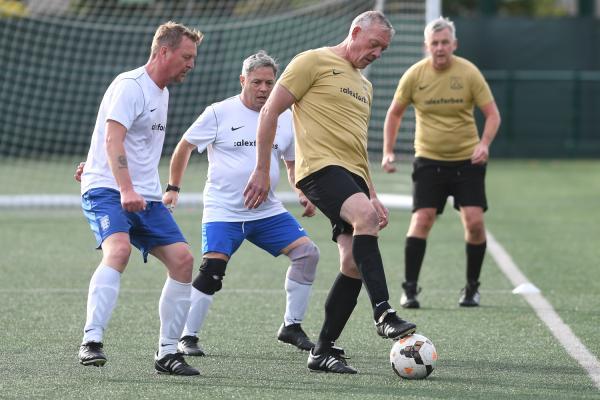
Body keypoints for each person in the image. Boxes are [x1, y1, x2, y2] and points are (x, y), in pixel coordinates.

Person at [243, 11, 417, 374]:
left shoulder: (365, 86)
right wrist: (263, 168)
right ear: (355, 32)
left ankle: (322, 350)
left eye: (384, 49)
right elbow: (270, 112)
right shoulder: (312, 61)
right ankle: (383, 311)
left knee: (352, 262)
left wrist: (372, 193)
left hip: (352, 177)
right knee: (364, 221)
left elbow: (357, 147)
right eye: (374, 44)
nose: (378, 53)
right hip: (319, 169)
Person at [162, 51, 320, 356]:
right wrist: (173, 188)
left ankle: (291, 325)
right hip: (224, 211)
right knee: (212, 270)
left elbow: (290, 163)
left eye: (269, 83)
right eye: (257, 82)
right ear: (242, 80)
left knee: (307, 254)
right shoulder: (219, 113)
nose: (263, 89)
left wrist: (300, 190)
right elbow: (184, 147)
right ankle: (187, 336)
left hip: (267, 211)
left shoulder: (283, 117)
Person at [76, 21, 204, 376]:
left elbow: (129, 142)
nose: (191, 64)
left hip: (144, 195)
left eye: (193, 57)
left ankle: (167, 354)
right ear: (164, 51)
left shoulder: (162, 92)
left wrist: (142, 190)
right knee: (119, 251)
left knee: (183, 260)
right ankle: (92, 341)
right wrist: (124, 186)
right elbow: (113, 139)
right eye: (186, 56)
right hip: (108, 189)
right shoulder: (130, 85)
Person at [381, 17, 501, 309]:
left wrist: (484, 144)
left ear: (454, 44)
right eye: (434, 43)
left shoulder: (469, 73)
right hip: (428, 161)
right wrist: (388, 151)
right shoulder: (414, 75)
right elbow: (394, 113)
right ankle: (409, 289)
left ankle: (472, 288)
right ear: (426, 46)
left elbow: (493, 114)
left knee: (474, 223)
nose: (440, 48)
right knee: (422, 220)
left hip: (467, 162)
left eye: (445, 42)